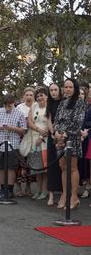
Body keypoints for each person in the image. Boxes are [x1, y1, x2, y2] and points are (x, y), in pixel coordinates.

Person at [53, 78, 85, 209]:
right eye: (65, 87)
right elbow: (57, 120)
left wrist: (65, 134)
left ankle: (74, 197)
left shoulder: (79, 102)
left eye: (70, 87)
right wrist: (57, 133)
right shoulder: (62, 103)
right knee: (63, 167)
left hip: (72, 138)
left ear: (75, 88)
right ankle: (64, 194)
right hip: (60, 138)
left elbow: (78, 122)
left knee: (72, 168)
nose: (67, 89)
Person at [0, 94, 26, 199]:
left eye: (9, 106)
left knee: (10, 168)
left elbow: (23, 130)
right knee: (0, 167)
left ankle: (9, 190)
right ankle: (2, 188)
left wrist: (12, 128)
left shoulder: (19, 114)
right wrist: (0, 127)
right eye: (6, 106)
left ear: (13, 103)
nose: (7, 108)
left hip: (13, 144)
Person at [25, 88, 52, 200]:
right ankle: (38, 190)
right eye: (38, 96)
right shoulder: (34, 106)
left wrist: (41, 136)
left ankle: (45, 191)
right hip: (33, 140)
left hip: (44, 141)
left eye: (42, 95)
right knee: (37, 169)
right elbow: (30, 121)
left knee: (44, 169)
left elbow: (50, 124)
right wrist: (37, 129)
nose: (40, 98)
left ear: (46, 96)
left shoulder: (49, 108)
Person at [15, 87, 38, 197]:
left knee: (30, 163)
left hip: (33, 137)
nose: (29, 97)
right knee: (20, 163)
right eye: (27, 95)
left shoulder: (37, 106)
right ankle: (19, 187)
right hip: (21, 137)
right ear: (23, 96)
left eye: (31, 95)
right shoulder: (19, 107)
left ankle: (29, 187)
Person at [46, 83, 63, 205]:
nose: (53, 92)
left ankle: (63, 194)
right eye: (51, 90)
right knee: (51, 166)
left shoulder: (64, 103)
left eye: (55, 90)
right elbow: (48, 119)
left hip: (62, 136)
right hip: (51, 136)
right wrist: (52, 133)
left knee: (62, 166)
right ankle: (51, 196)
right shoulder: (49, 103)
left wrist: (58, 133)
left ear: (59, 91)